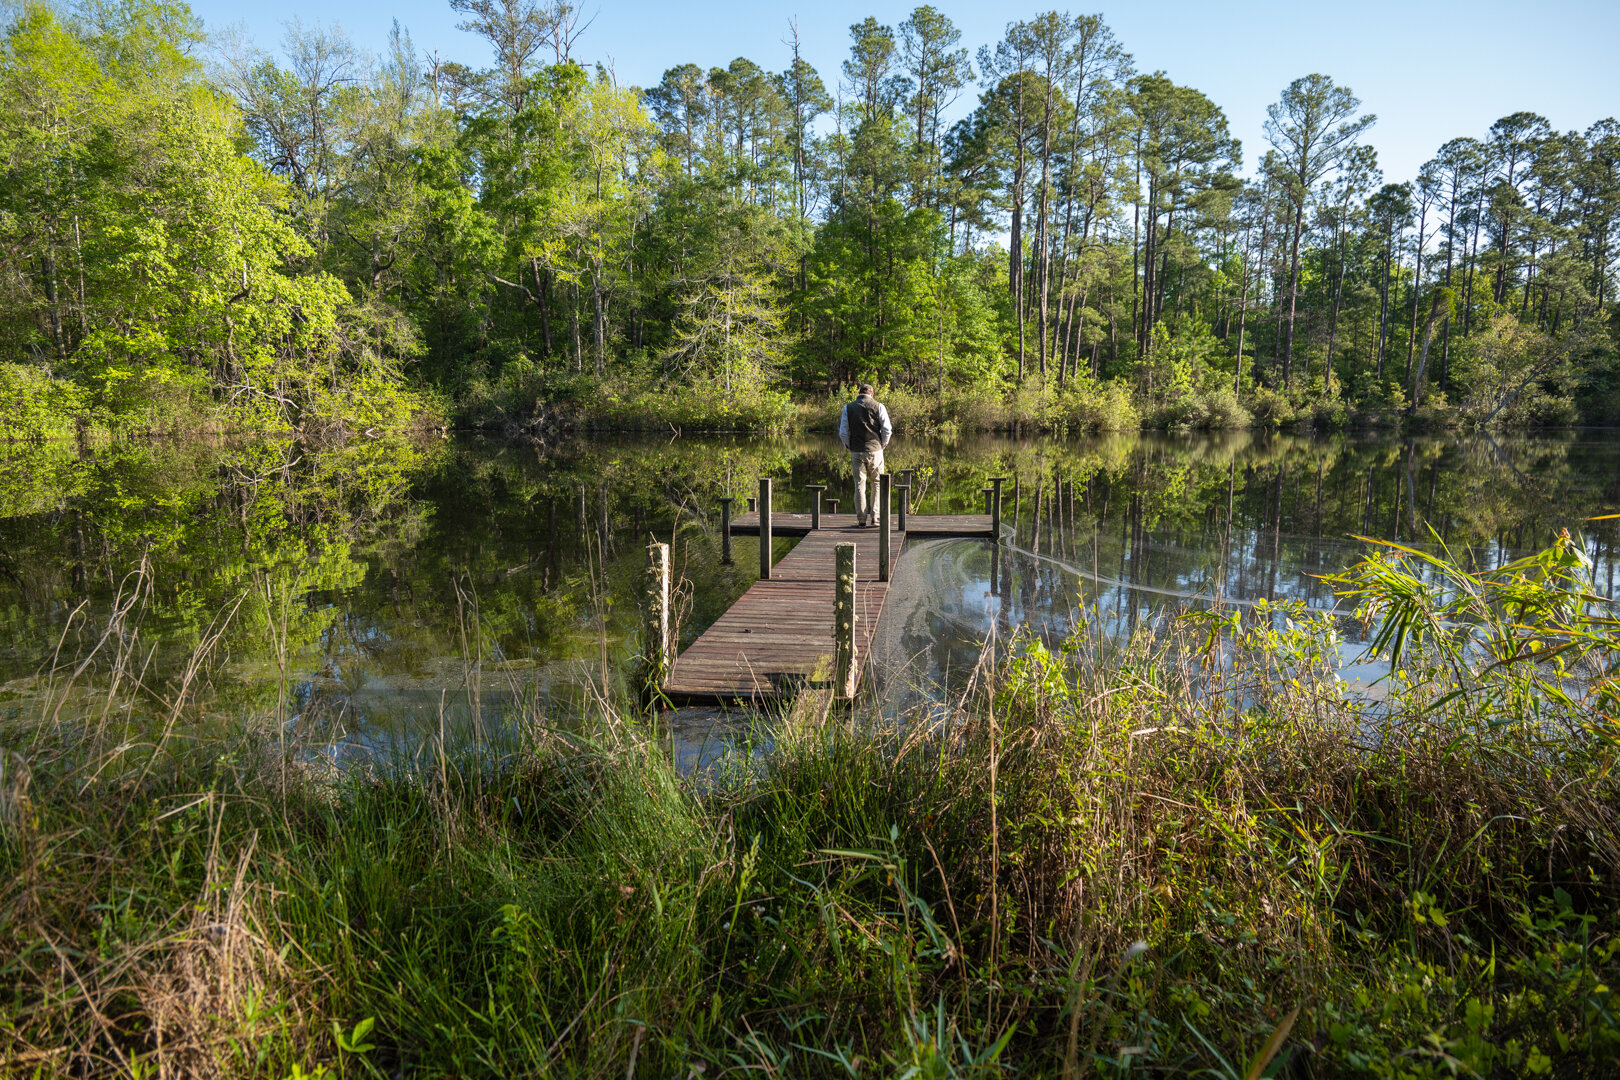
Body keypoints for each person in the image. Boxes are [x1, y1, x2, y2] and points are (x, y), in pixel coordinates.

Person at [837, 384, 892, 527]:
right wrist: (882, 445)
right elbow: (887, 430)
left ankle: (861, 519)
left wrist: (848, 446)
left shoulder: (848, 408)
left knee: (859, 485)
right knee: (877, 483)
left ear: (859, 393)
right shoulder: (879, 406)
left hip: (856, 451)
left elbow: (843, 431)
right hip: (875, 450)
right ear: (872, 394)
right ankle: (875, 517)